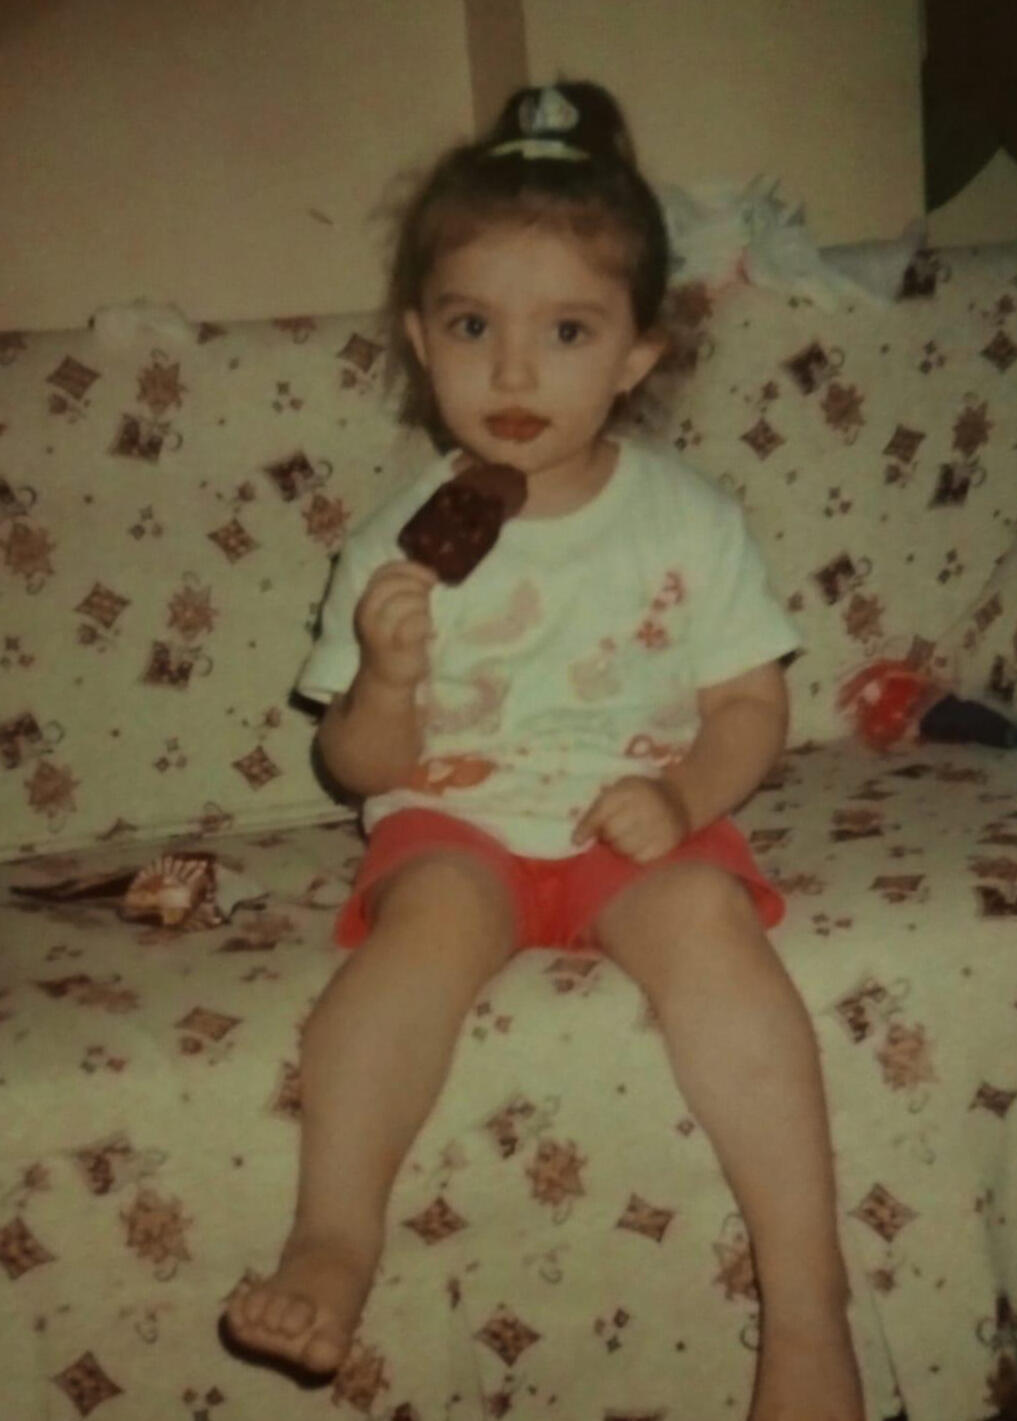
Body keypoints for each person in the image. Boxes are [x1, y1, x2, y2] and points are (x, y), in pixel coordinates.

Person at [221, 80, 866, 1421]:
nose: (513, 374)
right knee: (416, 940)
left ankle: (809, 1318)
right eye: (473, 326)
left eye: (566, 331)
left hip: (637, 815)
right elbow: (354, 767)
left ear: (635, 353)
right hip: (456, 821)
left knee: (713, 930)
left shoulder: (687, 518)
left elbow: (750, 704)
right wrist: (386, 679)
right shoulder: (394, 539)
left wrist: (682, 793)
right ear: (422, 339)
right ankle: (332, 1240)